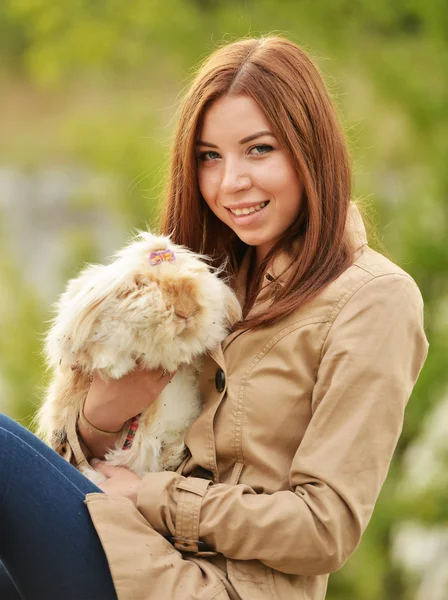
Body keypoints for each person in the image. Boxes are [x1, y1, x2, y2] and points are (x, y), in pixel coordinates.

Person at [0, 36, 429, 600]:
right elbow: (85, 460)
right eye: (209, 156)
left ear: (311, 150)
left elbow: (326, 527)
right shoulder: (198, 286)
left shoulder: (373, 300)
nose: (230, 183)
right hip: (133, 545)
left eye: (259, 150)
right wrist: (103, 415)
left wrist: (152, 497)